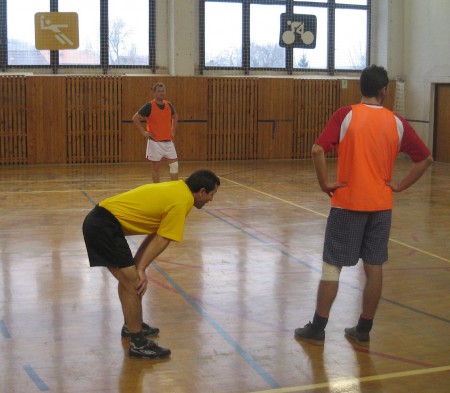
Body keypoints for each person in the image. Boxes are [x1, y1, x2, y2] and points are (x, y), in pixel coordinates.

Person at [294, 65, 433, 347]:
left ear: (362, 88)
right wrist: (401, 186)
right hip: (381, 206)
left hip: (347, 204)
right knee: (374, 267)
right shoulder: (397, 122)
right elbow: (425, 159)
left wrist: (324, 183)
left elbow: (317, 149)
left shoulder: (346, 115)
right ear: (384, 90)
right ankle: (364, 329)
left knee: (333, 267)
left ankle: (318, 328)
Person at [82, 169, 220, 359]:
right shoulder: (183, 201)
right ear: (202, 191)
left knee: (130, 280)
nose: (211, 200)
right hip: (103, 226)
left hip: (102, 223)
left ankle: (131, 326)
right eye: (212, 194)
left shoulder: (178, 189)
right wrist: (140, 269)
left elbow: (156, 233)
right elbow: (163, 239)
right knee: (133, 284)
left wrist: (139, 264)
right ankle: (138, 343)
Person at [132, 82, 179, 183]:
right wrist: (144, 132)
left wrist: (173, 130)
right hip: (155, 142)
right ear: (154, 93)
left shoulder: (169, 105)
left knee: (174, 165)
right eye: (159, 91)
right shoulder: (149, 106)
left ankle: (175, 189)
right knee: (156, 168)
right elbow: (135, 118)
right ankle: (157, 188)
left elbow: (175, 117)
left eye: (163, 91)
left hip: (168, 142)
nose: (161, 93)